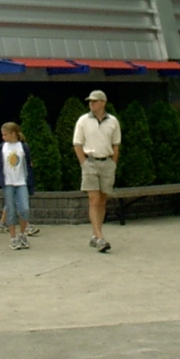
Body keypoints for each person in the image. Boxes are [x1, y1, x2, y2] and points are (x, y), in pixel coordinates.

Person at [72, 90, 121, 253]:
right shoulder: (83, 120)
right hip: (90, 162)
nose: (91, 104)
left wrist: (113, 163)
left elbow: (116, 144)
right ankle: (100, 237)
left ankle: (95, 233)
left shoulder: (113, 121)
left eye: (95, 101)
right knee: (93, 199)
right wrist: (84, 163)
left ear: (103, 103)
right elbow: (77, 143)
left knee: (102, 199)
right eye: (90, 101)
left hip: (106, 162)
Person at [0, 122, 35, 250]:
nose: (3, 137)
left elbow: (28, 164)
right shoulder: (2, 148)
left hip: (21, 181)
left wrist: (31, 182)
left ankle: (22, 234)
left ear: (13, 134)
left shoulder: (23, 147)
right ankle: (13, 237)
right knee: (10, 210)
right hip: (8, 183)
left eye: (5, 134)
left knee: (24, 209)